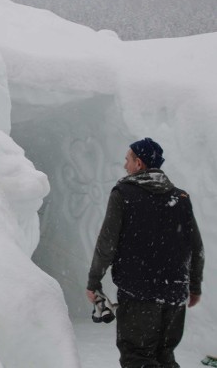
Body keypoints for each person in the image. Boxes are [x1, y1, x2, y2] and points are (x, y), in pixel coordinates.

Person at [86, 137, 204, 368]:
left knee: (137, 357)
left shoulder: (124, 193)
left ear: (139, 163)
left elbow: (107, 243)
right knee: (164, 356)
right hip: (175, 294)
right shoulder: (180, 198)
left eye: (127, 159)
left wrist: (94, 281)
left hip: (139, 293)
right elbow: (195, 247)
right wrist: (194, 286)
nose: (124, 165)